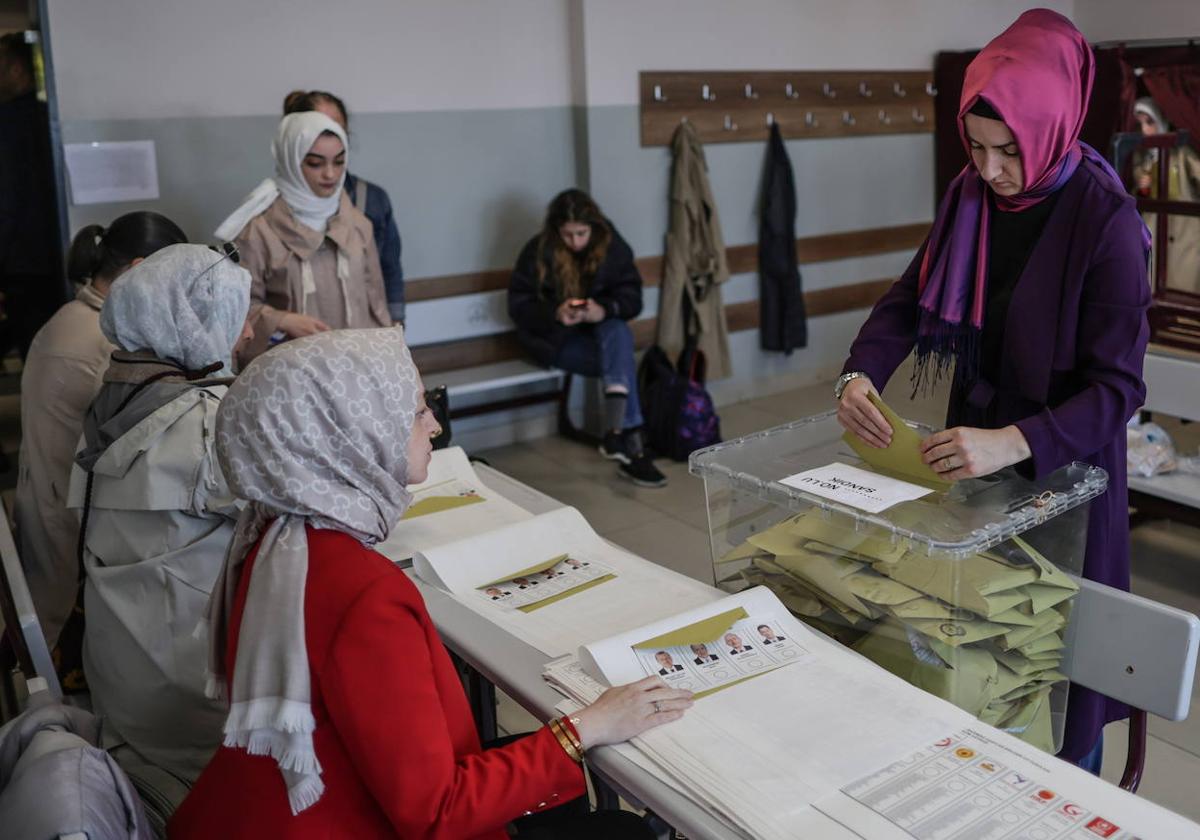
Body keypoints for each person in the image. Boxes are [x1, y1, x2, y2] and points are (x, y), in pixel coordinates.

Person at [170, 329, 690, 839]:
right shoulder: (365, 594)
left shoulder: (272, 536)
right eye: (418, 410)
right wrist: (585, 729)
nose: (435, 426)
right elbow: (436, 813)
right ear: (354, 433)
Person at [836, 10, 1150, 772]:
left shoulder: (1104, 222)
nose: (991, 170)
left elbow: (1117, 387)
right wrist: (860, 373)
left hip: (1063, 471)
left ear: (1052, 127)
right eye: (974, 148)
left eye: (1008, 150)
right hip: (971, 459)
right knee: (977, 650)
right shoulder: (969, 200)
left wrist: (1015, 441)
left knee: (1057, 671)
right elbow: (911, 299)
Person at [66, 244, 254, 784]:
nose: (244, 335)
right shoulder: (201, 423)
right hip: (188, 708)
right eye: (235, 319)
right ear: (189, 327)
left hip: (121, 675)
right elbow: (295, 511)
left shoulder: (116, 395)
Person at [15, 212, 187, 656]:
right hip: (70, 525)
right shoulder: (102, 340)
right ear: (137, 270)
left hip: (49, 499)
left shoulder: (74, 316)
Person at [508, 189, 667, 488]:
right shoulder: (538, 250)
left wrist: (603, 310)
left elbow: (632, 299)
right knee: (620, 359)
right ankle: (627, 441)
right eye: (567, 234)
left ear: (593, 226)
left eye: (581, 233)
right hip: (555, 340)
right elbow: (518, 306)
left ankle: (618, 434)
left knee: (617, 329)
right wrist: (555, 312)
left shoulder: (611, 246)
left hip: (600, 335)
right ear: (556, 230)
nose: (575, 242)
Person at [214, 111, 390, 365]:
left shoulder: (357, 223)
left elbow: (376, 303)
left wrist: (386, 358)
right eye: (315, 163)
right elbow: (233, 310)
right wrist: (280, 320)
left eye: (339, 162)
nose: (330, 174)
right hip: (293, 375)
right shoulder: (258, 231)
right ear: (291, 161)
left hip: (357, 370)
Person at [282, 89, 406, 324]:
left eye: (338, 130)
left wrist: (396, 331)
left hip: (361, 342)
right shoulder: (267, 219)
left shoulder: (371, 203)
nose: (329, 173)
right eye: (321, 129)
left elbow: (388, 274)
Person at [0, 33, 64, 358]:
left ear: (16, 69)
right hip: (56, 253)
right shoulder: (50, 117)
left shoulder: (7, 124)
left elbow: (6, 198)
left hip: (21, 261)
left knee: (33, 344)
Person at [1131, 97, 1200, 294]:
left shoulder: (1181, 153)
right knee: (1151, 280)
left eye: (1149, 122)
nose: (1145, 130)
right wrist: (1141, 185)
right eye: (1140, 124)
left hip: (1185, 233)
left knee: (1183, 283)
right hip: (1154, 227)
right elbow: (1138, 192)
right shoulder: (1142, 155)